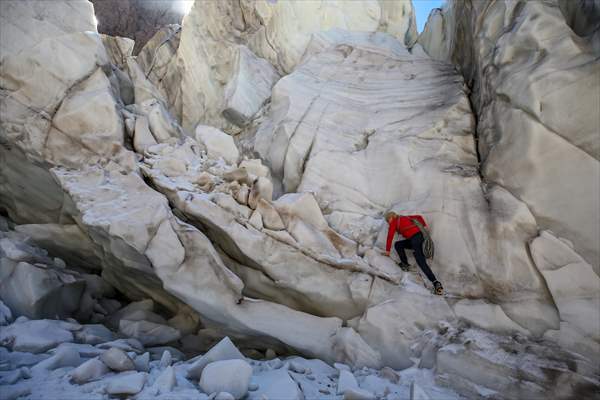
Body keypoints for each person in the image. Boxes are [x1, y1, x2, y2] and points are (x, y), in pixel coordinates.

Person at [385, 211, 444, 295]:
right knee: (398, 245)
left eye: (388, 220)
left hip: (415, 239)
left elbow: (390, 236)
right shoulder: (405, 217)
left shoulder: (394, 222)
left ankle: (436, 283)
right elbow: (419, 217)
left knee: (421, 262)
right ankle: (405, 264)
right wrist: (423, 227)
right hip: (420, 237)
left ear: (391, 217)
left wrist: (387, 251)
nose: (388, 222)